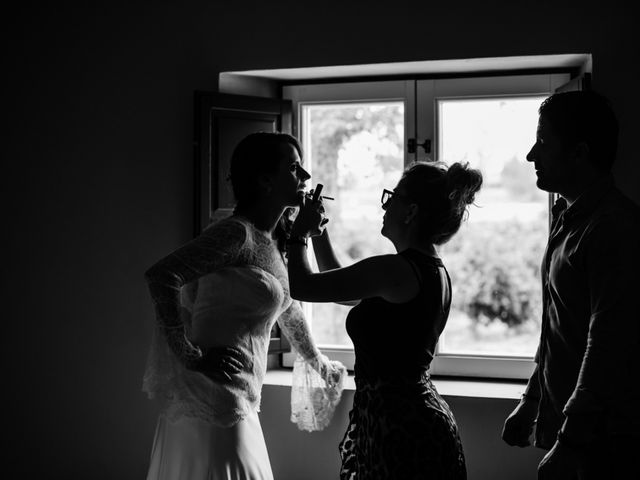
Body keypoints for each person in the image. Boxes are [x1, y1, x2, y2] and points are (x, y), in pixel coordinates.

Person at [142, 132, 346, 480]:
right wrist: (190, 355)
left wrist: (318, 364)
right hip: (211, 395)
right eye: (295, 168)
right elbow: (161, 276)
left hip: (242, 395)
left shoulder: (271, 241)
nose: (307, 178)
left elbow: (288, 309)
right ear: (265, 180)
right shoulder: (235, 233)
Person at [287, 161, 482, 479]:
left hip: (400, 426)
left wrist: (298, 233)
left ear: (411, 211)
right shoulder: (427, 268)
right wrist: (318, 233)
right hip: (411, 417)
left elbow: (302, 286)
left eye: (394, 196)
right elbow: (341, 290)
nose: (387, 203)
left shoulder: (395, 270)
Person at [501, 91, 640, 479]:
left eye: (543, 142)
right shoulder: (567, 217)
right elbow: (558, 324)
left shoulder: (613, 227)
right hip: (573, 431)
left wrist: (571, 442)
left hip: (603, 443)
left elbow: (607, 342)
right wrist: (531, 401)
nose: (531, 155)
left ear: (579, 152)